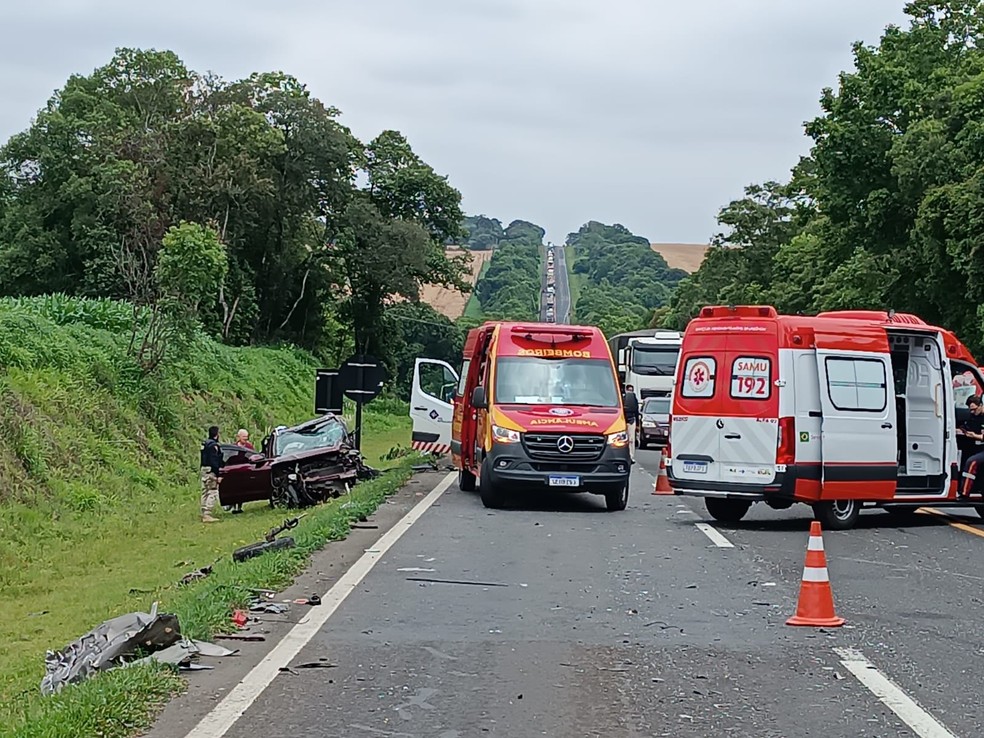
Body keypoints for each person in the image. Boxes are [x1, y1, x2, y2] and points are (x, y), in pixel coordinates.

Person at [958, 395, 984, 497]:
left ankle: (964, 492)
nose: (972, 412)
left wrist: (976, 436)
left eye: (974, 409)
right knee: (964, 458)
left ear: (981, 405)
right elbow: (966, 426)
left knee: (971, 462)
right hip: (977, 447)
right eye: (970, 410)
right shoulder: (973, 418)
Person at [226, 428, 254, 515]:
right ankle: (234, 506)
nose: (246, 439)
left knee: (242, 489)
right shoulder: (233, 447)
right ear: (238, 437)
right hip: (234, 471)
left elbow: (253, 456)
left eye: (247, 437)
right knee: (234, 489)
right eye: (244, 437)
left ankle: (239, 507)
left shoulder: (249, 447)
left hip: (245, 471)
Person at [200, 425, 223, 523]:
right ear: (217, 434)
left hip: (204, 470)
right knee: (213, 492)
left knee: (205, 491)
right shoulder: (214, 446)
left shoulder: (204, 443)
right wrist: (217, 475)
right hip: (211, 471)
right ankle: (207, 514)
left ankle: (203, 512)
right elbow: (214, 461)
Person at [623, 384, 639, 463]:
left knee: (630, 439)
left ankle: (630, 456)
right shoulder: (632, 398)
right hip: (629, 420)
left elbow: (637, 412)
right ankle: (630, 456)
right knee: (630, 439)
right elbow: (636, 411)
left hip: (627, 420)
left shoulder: (624, 398)